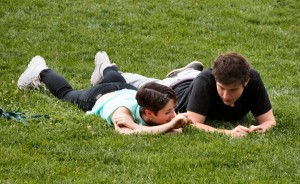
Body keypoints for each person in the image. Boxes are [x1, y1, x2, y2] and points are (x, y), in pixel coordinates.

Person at [94, 52, 276, 137]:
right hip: (175, 87)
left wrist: (259, 129)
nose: (226, 96)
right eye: (221, 88)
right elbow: (193, 123)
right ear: (215, 78)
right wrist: (228, 133)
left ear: (246, 82)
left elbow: (269, 121)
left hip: (192, 80)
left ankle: (187, 71)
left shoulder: (253, 79)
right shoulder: (206, 81)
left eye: (233, 90)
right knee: (120, 83)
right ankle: (105, 66)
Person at [17, 51, 192, 135]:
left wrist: (171, 124)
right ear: (149, 113)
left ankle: (105, 66)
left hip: (126, 90)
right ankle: (40, 70)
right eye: (168, 112)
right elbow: (125, 133)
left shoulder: (155, 106)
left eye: (173, 110)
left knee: (118, 80)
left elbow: (175, 131)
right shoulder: (122, 113)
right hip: (100, 96)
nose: (173, 115)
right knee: (66, 93)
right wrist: (168, 127)